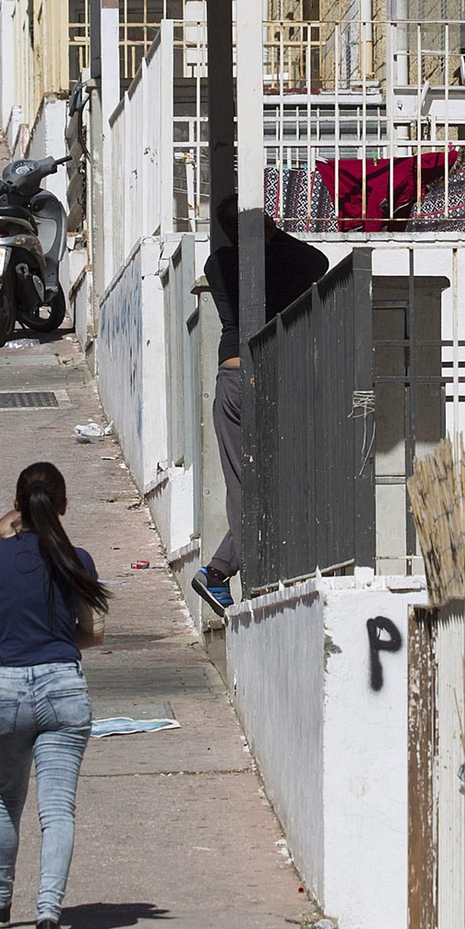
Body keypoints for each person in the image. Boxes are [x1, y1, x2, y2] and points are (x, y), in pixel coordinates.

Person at [0, 460, 107, 929]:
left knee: (6, 797)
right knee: (58, 809)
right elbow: (90, 633)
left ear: (16, 505)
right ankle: (49, 916)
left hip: (6, 688)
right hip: (63, 688)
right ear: (64, 506)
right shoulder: (77, 560)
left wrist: (4, 534)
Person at [191, 198, 328, 617]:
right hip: (273, 377)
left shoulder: (219, 262)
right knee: (277, 481)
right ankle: (236, 573)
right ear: (267, 225)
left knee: (245, 483)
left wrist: (253, 232)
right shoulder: (291, 260)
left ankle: (219, 572)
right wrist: (272, 233)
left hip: (232, 377)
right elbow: (319, 262)